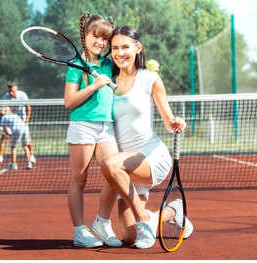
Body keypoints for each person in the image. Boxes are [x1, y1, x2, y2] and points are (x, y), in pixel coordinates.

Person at [100, 25, 193, 249]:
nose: (119, 53)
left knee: (110, 164)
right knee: (128, 237)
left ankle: (143, 219)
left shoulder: (149, 78)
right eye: (114, 48)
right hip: (126, 168)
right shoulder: (107, 82)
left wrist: (177, 123)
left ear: (138, 48)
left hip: (150, 157)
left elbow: (169, 121)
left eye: (125, 47)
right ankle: (173, 211)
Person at [64, 12, 122, 248]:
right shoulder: (75, 66)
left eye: (104, 38)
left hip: (106, 127)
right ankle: (80, 231)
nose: (100, 42)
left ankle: (102, 222)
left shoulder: (109, 63)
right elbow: (69, 102)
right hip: (83, 127)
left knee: (114, 173)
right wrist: (95, 85)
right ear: (85, 36)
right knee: (79, 179)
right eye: (95, 36)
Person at [0, 81, 36, 164]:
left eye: (12, 91)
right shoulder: (5, 97)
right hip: (11, 121)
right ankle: (0, 156)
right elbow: (1, 111)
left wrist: (26, 121)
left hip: (22, 120)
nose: (11, 93)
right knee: (4, 136)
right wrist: (5, 124)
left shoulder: (22, 95)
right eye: (9, 91)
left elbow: (28, 108)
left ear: (16, 88)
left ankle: (31, 156)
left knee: (27, 138)